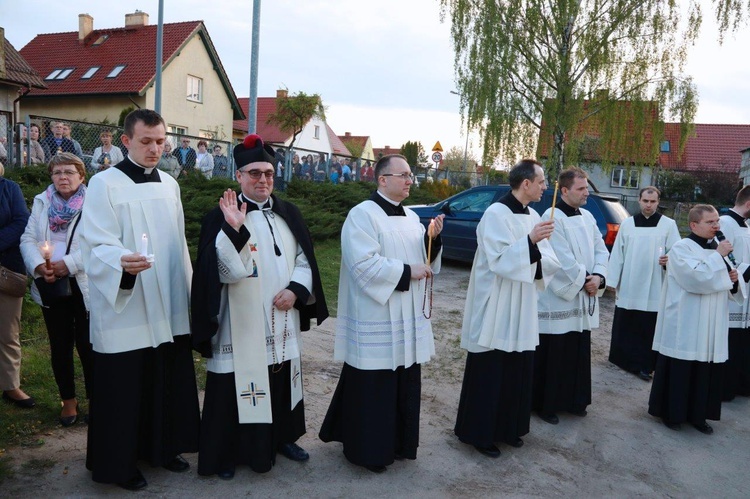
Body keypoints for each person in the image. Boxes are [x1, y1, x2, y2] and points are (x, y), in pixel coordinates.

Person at [192, 133, 329, 479]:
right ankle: (229, 453)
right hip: (241, 322)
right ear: (238, 176)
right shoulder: (219, 216)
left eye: (268, 173)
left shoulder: (288, 213)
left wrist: (297, 290)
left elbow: (304, 258)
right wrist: (235, 229)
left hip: (281, 314)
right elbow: (223, 272)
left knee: (281, 380)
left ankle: (282, 438)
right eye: (254, 173)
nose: (263, 180)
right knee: (235, 387)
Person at [80, 109, 200, 491]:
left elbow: (179, 242)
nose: (154, 148)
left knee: (163, 375)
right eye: (146, 141)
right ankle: (119, 463)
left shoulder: (170, 183)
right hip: (127, 302)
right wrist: (120, 262)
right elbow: (95, 241)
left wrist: (189, 291)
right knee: (124, 386)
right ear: (126, 141)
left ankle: (162, 448)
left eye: (160, 141)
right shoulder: (104, 183)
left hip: (166, 298)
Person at [319, 154, 444, 473]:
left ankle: (400, 443)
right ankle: (368, 451)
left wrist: (433, 240)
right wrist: (406, 272)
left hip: (407, 315)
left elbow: (424, 260)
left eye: (410, 176)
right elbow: (362, 264)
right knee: (375, 385)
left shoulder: (411, 218)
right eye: (402, 175)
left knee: (403, 380)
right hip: (376, 313)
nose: (409, 181)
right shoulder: (362, 215)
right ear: (382, 179)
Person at [455, 159, 560, 458]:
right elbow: (499, 260)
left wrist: (538, 247)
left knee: (518, 367)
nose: (544, 187)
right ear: (525, 183)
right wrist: (530, 241)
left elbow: (548, 257)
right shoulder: (495, 214)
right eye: (541, 181)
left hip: (522, 301)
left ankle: (509, 427)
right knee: (492, 367)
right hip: (496, 301)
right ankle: (481, 433)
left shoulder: (533, 215)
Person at [648, 204, 744, 434]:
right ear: (693, 225)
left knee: (705, 369)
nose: (716, 226)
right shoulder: (681, 248)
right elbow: (694, 279)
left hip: (712, 320)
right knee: (682, 366)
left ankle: (699, 415)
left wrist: (734, 279)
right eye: (710, 222)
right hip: (686, 319)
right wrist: (719, 260)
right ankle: (673, 413)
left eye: (716, 222)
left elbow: (730, 279)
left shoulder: (719, 249)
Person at [20, 153, 93, 426]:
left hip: (85, 283)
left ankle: (95, 399)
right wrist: (40, 267)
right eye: (57, 172)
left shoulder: (94, 203)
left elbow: (102, 244)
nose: (63, 177)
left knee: (89, 346)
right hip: (51, 282)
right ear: (51, 176)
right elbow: (28, 238)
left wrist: (70, 264)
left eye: (69, 172)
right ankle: (69, 402)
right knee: (60, 345)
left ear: (81, 176)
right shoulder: (42, 202)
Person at [535, 167, 608, 424]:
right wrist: (585, 280)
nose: (586, 192)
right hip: (559, 298)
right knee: (555, 351)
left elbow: (601, 249)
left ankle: (574, 399)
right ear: (564, 191)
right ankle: (547, 405)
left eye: (586, 187)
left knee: (578, 348)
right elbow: (559, 257)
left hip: (584, 291)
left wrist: (599, 277)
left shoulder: (587, 216)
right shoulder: (551, 217)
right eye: (581, 188)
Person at [607, 186, 680, 381]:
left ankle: (645, 364)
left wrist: (669, 260)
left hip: (655, 282)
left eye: (653, 201)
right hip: (630, 281)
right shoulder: (628, 224)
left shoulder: (669, 225)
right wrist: (612, 279)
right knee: (628, 321)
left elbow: (676, 251)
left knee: (648, 325)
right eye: (645, 201)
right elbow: (618, 254)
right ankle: (622, 359)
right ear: (639, 200)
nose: (649, 205)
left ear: (658, 202)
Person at [0, 162, 33, 408]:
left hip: (7, 270)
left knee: (8, 332)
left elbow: (22, 221)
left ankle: (11, 386)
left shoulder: (9, 189)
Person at [718, 187, 750, 400]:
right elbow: (719, 257)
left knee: (742, 341)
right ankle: (724, 388)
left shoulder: (746, 225)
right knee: (729, 341)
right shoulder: (724, 224)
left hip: (746, 297)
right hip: (731, 295)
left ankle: (740, 385)